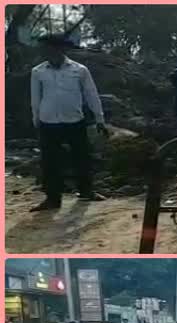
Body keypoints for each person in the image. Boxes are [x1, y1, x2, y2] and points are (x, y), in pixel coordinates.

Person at [30, 34, 109, 212]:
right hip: (48, 121)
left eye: (49, 48)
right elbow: (35, 99)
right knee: (50, 162)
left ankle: (86, 192)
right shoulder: (38, 72)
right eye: (44, 49)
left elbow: (91, 94)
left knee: (81, 157)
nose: (46, 52)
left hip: (75, 120)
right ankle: (52, 199)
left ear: (61, 49)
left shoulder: (80, 70)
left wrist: (99, 119)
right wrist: (36, 120)